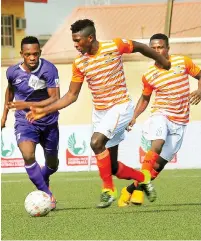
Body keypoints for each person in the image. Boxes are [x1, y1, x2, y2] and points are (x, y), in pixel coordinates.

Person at [25, 19, 171, 208]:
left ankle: (108, 191)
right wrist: (44, 110)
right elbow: (71, 95)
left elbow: (141, 47)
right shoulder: (79, 63)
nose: (75, 45)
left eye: (78, 41)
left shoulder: (115, 46)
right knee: (112, 167)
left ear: (90, 38)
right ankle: (143, 178)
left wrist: (162, 61)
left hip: (120, 107)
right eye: (74, 41)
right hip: (101, 113)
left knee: (96, 142)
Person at [118, 33, 201, 207]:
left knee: (157, 166)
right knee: (158, 142)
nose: (156, 51)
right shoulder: (149, 75)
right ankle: (140, 191)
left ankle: (129, 189)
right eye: (153, 48)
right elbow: (145, 98)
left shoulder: (183, 62)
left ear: (168, 48)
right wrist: (133, 116)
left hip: (180, 121)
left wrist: (199, 91)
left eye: (160, 47)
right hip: (160, 113)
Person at [1, 36, 61, 210]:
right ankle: (47, 195)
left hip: (48, 120)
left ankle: (42, 177)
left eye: (35, 54)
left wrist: (26, 104)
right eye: (28, 54)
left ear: (40, 53)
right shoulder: (12, 72)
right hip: (25, 121)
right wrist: (4, 115)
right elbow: (10, 91)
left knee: (53, 165)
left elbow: (54, 98)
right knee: (28, 155)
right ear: (22, 54)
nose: (32, 58)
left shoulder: (49, 70)